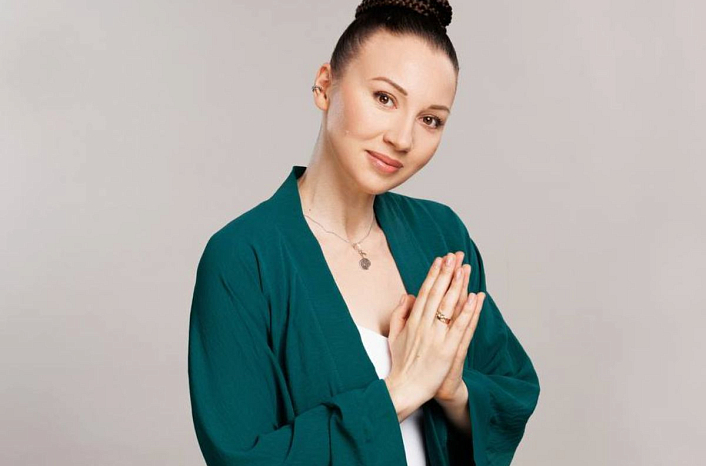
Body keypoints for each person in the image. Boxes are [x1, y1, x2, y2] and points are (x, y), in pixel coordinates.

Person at [188, 1, 540, 465]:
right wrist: (403, 389)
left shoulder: (440, 236)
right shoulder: (244, 258)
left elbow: (510, 388)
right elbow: (243, 457)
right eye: (384, 98)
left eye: (430, 120)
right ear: (325, 85)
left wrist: (453, 390)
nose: (403, 139)